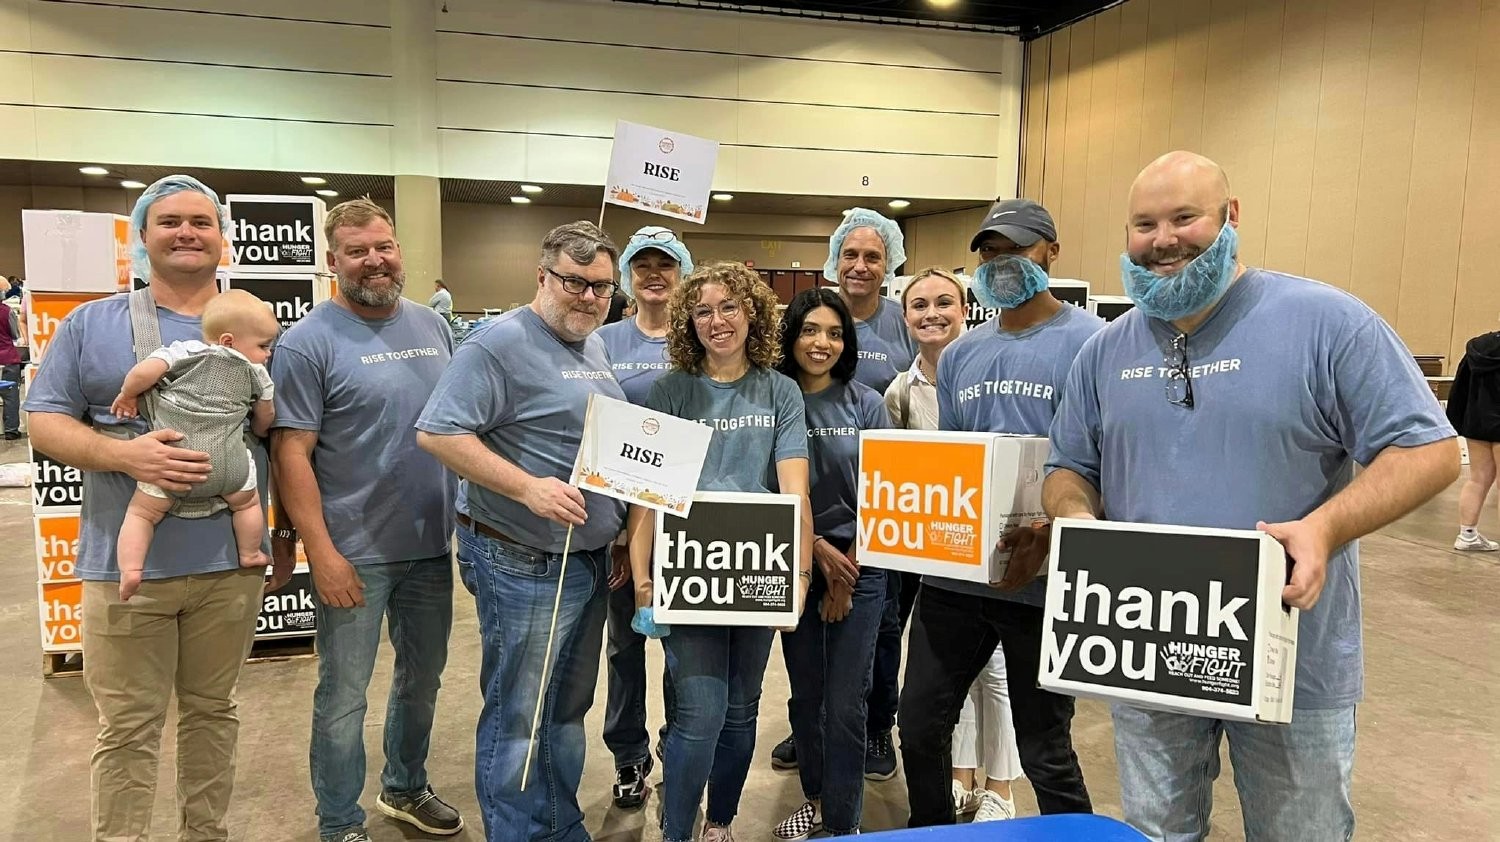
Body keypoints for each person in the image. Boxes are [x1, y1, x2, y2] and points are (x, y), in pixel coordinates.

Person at [1044, 151, 1459, 841]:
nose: (1163, 239)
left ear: (1231, 217)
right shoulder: (1106, 352)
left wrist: (1324, 528)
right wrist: (1079, 520)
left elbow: (1431, 450)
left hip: (1292, 655)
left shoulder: (1327, 323)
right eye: (1143, 225)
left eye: (1185, 217)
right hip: (1150, 650)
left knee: (1301, 831)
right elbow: (1067, 467)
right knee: (1155, 831)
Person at [24, 174, 292, 841]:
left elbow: (285, 439)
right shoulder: (93, 324)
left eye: (201, 222)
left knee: (213, 712)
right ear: (143, 238)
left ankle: (207, 834)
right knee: (127, 728)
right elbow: (42, 420)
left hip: (228, 563)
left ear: (223, 240)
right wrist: (125, 456)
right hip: (124, 568)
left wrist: (280, 532)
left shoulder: (258, 326)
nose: (186, 233)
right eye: (169, 221)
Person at [415, 221, 625, 842]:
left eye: (601, 287)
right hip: (521, 559)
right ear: (543, 277)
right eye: (575, 283)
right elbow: (440, 432)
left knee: (564, 709)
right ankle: (518, 832)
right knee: (519, 716)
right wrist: (527, 486)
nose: (588, 297)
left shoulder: (595, 345)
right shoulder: (494, 344)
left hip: (584, 561)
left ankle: (558, 826)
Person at [898, 198, 1100, 827]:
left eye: (1017, 248)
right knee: (920, 722)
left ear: (1051, 252)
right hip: (956, 578)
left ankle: (1076, 832)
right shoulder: (962, 354)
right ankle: (929, 828)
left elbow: (1104, 461)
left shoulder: (1093, 343)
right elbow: (959, 462)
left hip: (1041, 584)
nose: (1002, 261)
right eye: (990, 251)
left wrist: (1064, 528)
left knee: (1045, 746)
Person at [270, 198, 461, 842]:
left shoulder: (432, 326)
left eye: (385, 246)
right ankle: (339, 821)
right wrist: (319, 553)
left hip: (431, 546)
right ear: (333, 262)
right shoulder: (306, 343)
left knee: (421, 680)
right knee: (344, 694)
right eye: (358, 251)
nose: (375, 260)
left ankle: (404, 787)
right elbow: (290, 453)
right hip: (353, 551)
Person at [625, 261, 813, 842]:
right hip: (690, 575)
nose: (717, 320)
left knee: (740, 711)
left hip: (759, 573)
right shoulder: (671, 391)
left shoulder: (779, 390)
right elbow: (646, 497)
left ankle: (721, 823)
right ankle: (677, 828)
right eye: (703, 310)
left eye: (729, 306)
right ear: (689, 321)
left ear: (752, 312)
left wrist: (800, 579)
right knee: (702, 714)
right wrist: (643, 583)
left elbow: (796, 493)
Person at [883, 267, 1022, 821]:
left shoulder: (990, 370)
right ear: (906, 315)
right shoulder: (900, 390)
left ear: (967, 308)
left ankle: (1002, 787)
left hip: (995, 546)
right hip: (935, 555)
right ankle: (961, 775)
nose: (932, 313)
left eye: (945, 302)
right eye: (919, 305)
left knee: (998, 675)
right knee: (949, 680)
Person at [770, 288, 890, 839]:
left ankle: (845, 825)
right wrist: (812, 549)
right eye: (811, 330)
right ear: (791, 335)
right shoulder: (772, 397)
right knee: (807, 694)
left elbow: (890, 493)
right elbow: (764, 487)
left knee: (846, 703)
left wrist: (848, 571)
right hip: (791, 561)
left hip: (861, 565)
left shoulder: (866, 403)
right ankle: (816, 799)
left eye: (835, 333)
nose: (822, 342)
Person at [803, 207, 916, 780]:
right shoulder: (815, 316)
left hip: (881, 507)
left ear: (889, 261)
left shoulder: (903, 323)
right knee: (812, 630)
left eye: (872, 256)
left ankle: (875, 729)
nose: (860, 266)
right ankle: (817, 729)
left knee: (883, 628)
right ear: (835, 259)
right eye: (850, 254)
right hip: (814, 504)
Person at [595, 225, 694, 809]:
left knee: (685, 646)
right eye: (642, 264)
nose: (654, 274)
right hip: (621, 520)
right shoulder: (603, 342)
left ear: (682, 272)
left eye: (666, 264)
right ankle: (629, 755)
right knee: (624, 645)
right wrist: (611, 528)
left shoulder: (697, 339)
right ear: (628, 274)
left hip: (686, 520)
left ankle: (678, 749)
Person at [109, 289, 277, 601]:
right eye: (263, 346)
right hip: (229, 467)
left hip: (172, 462)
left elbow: (143, 372)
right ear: (228, 341)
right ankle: (251, 552)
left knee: (142, 514)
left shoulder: (184, 351)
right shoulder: (257, 373)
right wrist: (258, 428)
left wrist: (128, 394)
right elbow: (266, 414)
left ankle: (131, 569)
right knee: (248, 504)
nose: (268, 354)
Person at [1447, 323, 1500, 551]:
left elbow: (1459, 388)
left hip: (1476, 422)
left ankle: (1467, 535)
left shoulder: (1477, 348)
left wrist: (1458, 420)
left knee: (1478, 479)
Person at [1, 294, 22, 439]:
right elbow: (15, 334)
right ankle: (11, 430)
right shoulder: (7, 311)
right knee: (10, 396)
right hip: (7, 357)